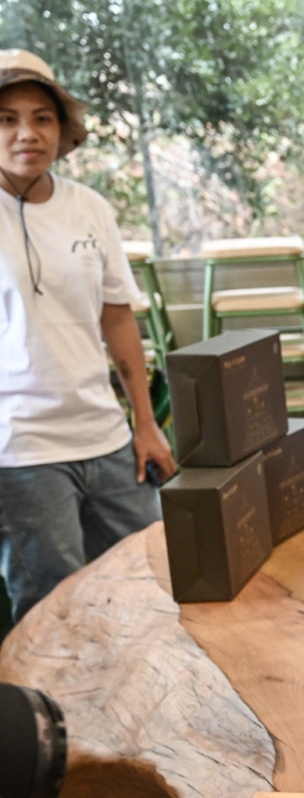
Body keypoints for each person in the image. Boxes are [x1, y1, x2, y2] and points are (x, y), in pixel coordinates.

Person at [0, 50, 176, 625]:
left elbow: (118, 320)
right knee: (54, 612)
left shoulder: (89, 208)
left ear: (62, 128)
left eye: (42, 117)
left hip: (106, 439)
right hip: (22, 453)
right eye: (6, 119)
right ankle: (58, 718)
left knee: (154, 577)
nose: (27, 133)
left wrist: (144, 425)